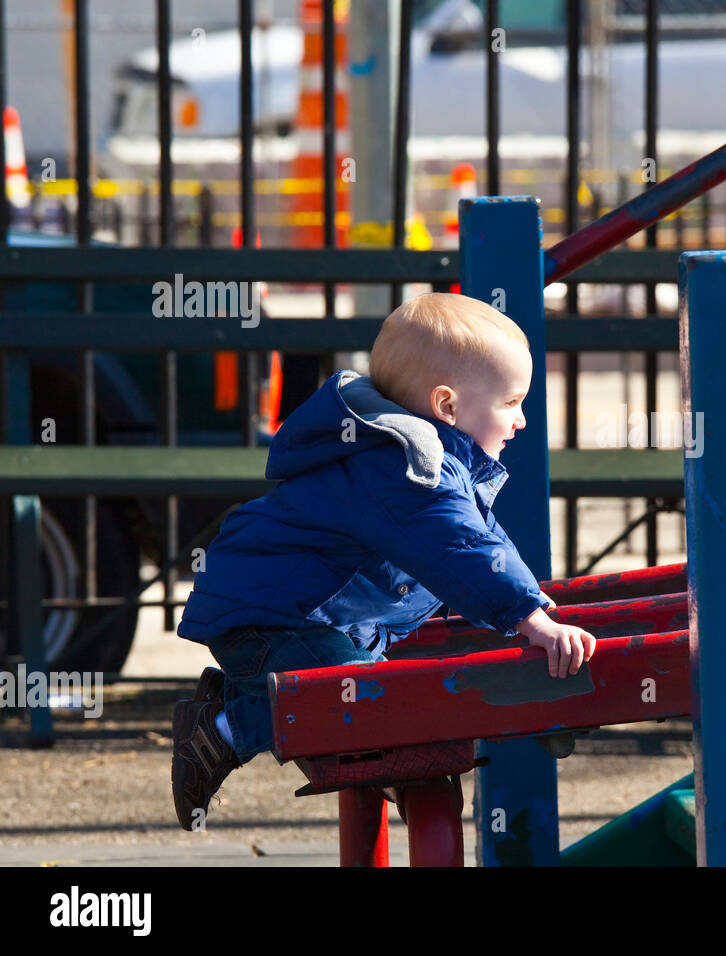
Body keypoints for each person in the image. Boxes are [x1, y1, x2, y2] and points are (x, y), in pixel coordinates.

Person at [171, 292, 596, 831]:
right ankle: (221, 729)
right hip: (273, 615)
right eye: (511, 403)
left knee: (368, 692)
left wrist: (530, 603)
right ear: (447, 406)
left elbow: (483, 537)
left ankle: (371, 751)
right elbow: (462, 548)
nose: (521, 421)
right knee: (346, 692)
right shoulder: (411, 468)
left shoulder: (425, 458)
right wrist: (529, 618)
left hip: (306, 612)